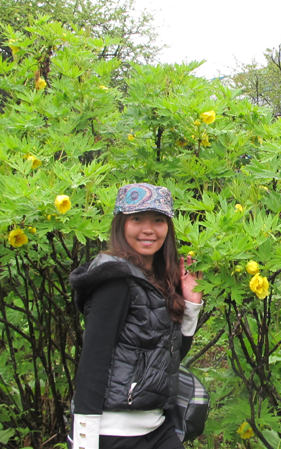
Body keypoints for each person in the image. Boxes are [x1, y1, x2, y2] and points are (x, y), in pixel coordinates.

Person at [69, 183, 203, 449]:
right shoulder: (115, 281)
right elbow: (93, 363)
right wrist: (84, 440)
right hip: (115, 433)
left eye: (158, 220)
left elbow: (166, 358)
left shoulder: (156, 279)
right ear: (121, 224)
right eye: (137, 219)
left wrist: (190, 302)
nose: (148, 229)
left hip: (156, 427)